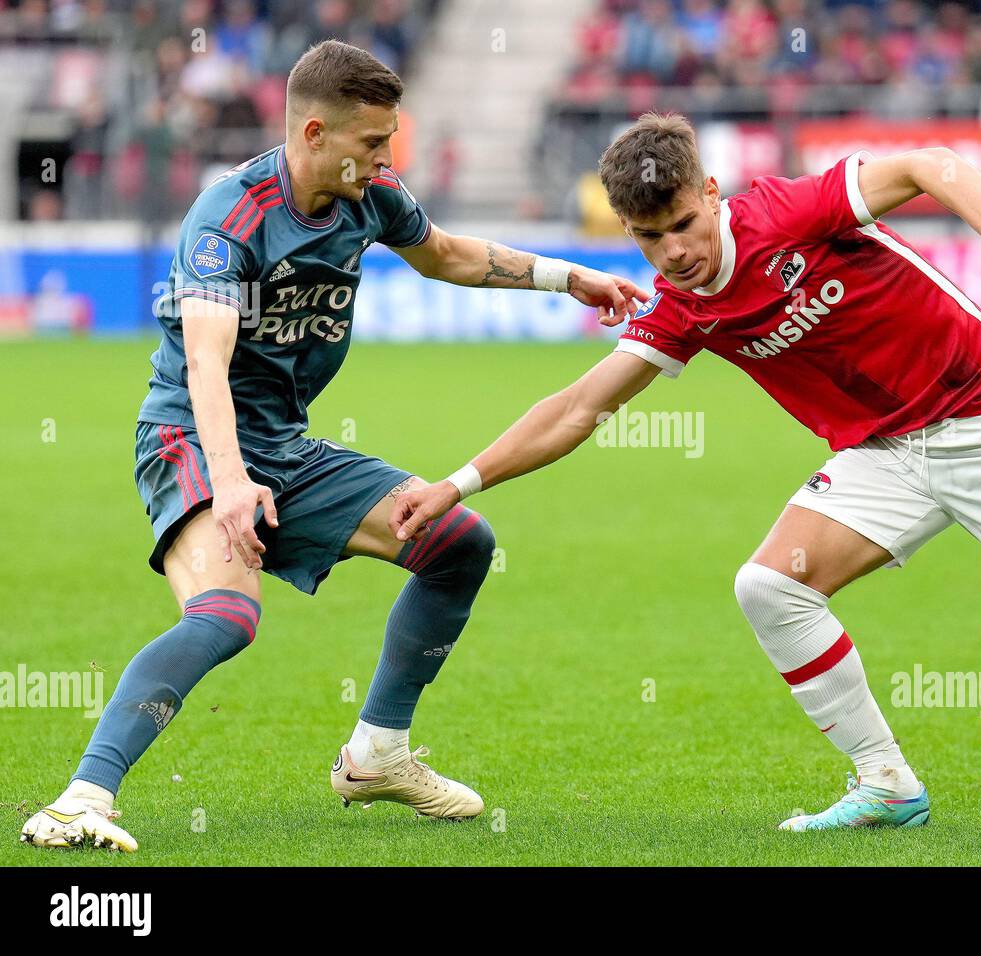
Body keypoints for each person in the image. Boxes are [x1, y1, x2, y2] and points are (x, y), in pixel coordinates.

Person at [388, 113, 981, 832]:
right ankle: (887, 783)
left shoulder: (794, 212)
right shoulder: (684, 307)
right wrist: (457, 483)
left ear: (711, 193)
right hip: (887, 452)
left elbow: (928, 162)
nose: (674, 254)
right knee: (769, 587)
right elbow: (578, 410)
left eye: (685, 226)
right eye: (650, 239)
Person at [21, 41, 651, 852]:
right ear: (314, 132)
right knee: (226, 615)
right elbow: (206, 365)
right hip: (190, 436)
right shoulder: (229, 218)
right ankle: (81, 798)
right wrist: (233, 481)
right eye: (372, 142)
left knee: (457, 540)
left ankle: (377, 754)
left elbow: (448, 255)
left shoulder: (371, 194)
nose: (388, 157)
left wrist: (569, 277)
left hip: (286, 446)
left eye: (390, 140)